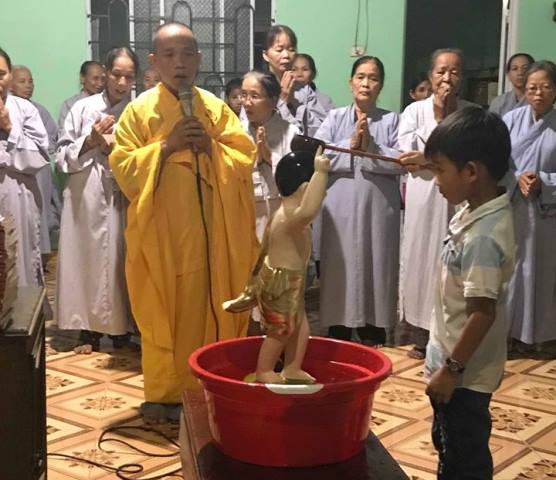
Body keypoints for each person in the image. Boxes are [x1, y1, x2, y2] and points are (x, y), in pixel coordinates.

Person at [110, 22, 258, 423]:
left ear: (199, 59)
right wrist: (166, 146)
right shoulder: (139, 112)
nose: (180, 64)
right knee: (165, 308)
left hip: (214, 237)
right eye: (169, 55)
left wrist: (210, 146)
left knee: (213, 303)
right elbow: (123, 168)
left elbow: (244, 158)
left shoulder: (215, 109)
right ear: (154, 62)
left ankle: (215, 385)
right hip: (163, 237)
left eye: (188, 54)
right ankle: (165, 392)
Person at [423, 106, 515, 480]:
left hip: (464, 375)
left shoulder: (483, 237)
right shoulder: (475, 210)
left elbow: (482, 313)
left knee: (464, 457)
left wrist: (451, 371)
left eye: (439, 170)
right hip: (453, 362)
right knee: (449, 446)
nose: (436, 181)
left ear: (471, 172)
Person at [314, 56, 404, 345]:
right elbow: (317, 155)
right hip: (339, 210)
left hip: (378, 210)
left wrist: (371, 148)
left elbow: (402, 161)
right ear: (350, 82)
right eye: (361, 77)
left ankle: (373, 330)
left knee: (377, 264)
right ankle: (338, 329)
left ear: (381, 85)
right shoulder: (334, 118)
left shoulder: (392, 120)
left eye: (373, 78)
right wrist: (350, 146)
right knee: (339, 265)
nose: (366, 83)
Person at [55, 47, 138, 354]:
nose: (122, 82)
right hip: (86, 191)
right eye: (116, 75)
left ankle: (122, 330)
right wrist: (90, 141)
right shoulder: (82, 108)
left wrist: (116, 150)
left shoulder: (137, 111)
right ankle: (88, 330)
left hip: (122, 194)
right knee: (86, 259)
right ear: (105, 72)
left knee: (121, 260)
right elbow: (61, 156)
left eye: (129, 76)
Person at [224, 149, 330, 384]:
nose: (322, 194)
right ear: (305, 189)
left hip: (292, 279)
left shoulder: (288, 215)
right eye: (319, 190)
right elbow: (309, 210)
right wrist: (321, 173)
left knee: (300, 327)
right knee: (280, 331)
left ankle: (292, 368)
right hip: (280, 282)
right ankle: (264, 370)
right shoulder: (291, 216)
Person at [398, 48, 476, 359]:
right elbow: (407, 155)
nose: (447, 78)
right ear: (431, 76)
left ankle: (453, 337)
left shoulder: (471, 114)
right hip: (423, 198)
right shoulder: (414, 112)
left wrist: (428, 159)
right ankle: (421, 334)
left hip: (458, 200)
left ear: (462, 77)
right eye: (441, 71)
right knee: (421, 260)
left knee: (455, 263)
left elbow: (469, 158)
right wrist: (436, 156)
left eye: (454, 71)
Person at [503, 60, 556, 352]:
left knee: (541, 272)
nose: (538, 94)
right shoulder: (510, 120)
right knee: (511, 271)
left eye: (546, 87)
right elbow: (497, 162)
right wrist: (516, 177)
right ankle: (507, 334)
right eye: (533, 87)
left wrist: (543, 181)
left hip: (545, 212)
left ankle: (538, 336)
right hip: (513, 206)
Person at [0, 47, 49, 286]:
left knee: (20, 264)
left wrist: (9, 127)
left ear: (9, 76)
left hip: (17, 197)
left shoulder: (25, 109)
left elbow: (40, 156)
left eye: (1, 74)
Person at [240, 70, 299, 240]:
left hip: (281, 211)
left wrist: (270, 158)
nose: (247, 102)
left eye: (254, 96)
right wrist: (253, 161)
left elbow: (298, 181)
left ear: (273, 100)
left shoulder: (290, 132)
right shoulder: (236, 132)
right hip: (244, 210)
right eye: (244, 95)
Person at [10, 65, 60, 261]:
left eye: (30, 81)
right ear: (10, 84)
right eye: (22, 81)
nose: (28, 85)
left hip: (39, 169)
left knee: (41, 211)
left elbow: (50, 139)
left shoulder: (39, 110)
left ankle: (41, 255)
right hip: (12, 171)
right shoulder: (6, 108)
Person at [262, 25, 327, 136]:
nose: (286, 55)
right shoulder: (258, 87)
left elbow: (322, 130)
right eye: (279, 50)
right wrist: (282, 101)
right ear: (265, 55)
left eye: (291, 50)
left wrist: (295, 104)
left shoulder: (304, 90)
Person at [58, 61, 104, 129]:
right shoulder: (70, 105)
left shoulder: (107, 103)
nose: (100, 83)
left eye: (103, 79)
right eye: (95, 78)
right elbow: (63, 131)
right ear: (82, 78)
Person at [490, 53, 534, 118]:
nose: (520, 73)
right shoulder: (499, 102)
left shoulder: (538, 99)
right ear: (508, 74)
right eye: (515, 69)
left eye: (525, 68)